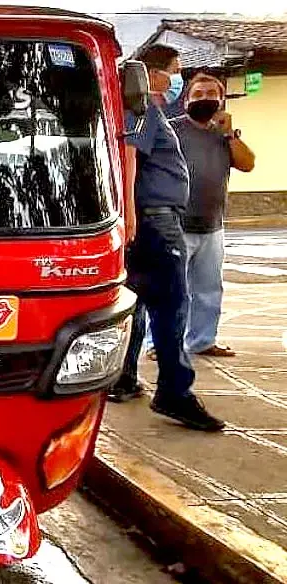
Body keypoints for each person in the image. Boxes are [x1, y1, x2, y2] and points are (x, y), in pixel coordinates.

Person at [109, 45, 225, 432]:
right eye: (175, 72)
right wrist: (127, 213)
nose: (178, 79)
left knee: (141, 301)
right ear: (155, 75)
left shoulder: (147, 112)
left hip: (151, 219)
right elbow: (128, 153)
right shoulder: (143, 110)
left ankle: (124, 378)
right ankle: (174, 391)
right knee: (173, 303)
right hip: (156, 219)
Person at [174, 73, 256, 357]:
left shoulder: (224, 135)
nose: (205, 99)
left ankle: (203, 340)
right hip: (176, 225)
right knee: (173, 290)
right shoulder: (172, 131)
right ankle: (161, 344)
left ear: (221, 100)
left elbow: (248, 165)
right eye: (198, 94)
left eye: (211, 93)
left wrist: (230, 134)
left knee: (209, 290)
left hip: (212, 226)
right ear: (186, 100)